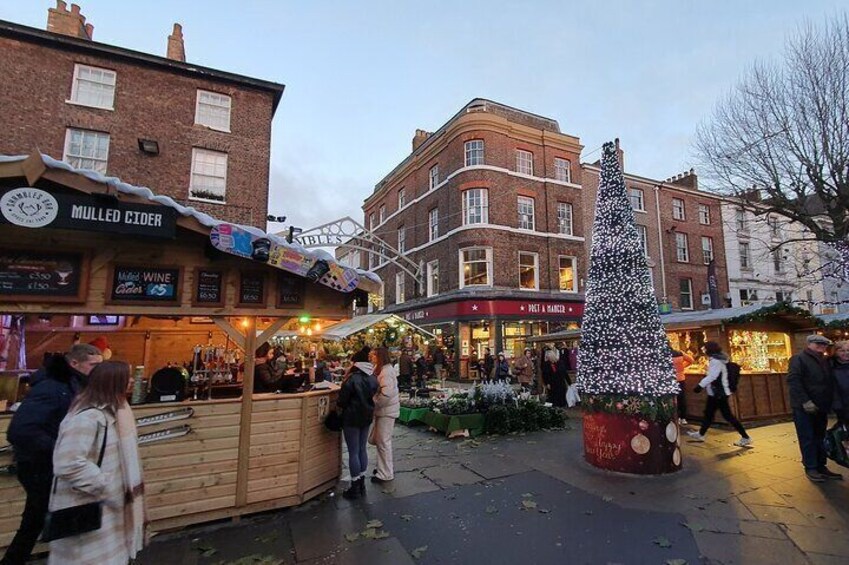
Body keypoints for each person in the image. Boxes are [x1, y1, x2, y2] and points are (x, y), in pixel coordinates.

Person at [3, 344, 102, 565]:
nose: (97, 371)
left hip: (46, 463)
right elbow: (20, 430)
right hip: (40, 465)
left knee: (38, 520)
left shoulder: (70, 383)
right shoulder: (52, 387)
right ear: (74, 363)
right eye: (93, 365)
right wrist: (62, 447)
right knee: (45, 519)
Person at [48, 361, 145, 564]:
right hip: (89, 509)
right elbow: (68, 463)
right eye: (126, 377)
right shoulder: (88, 417)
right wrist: (108, 486)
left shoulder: (114, 413)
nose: (132, 381)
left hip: (106, 511)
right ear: (112, 382)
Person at [787, 334, 841, 482]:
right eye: (818, 344)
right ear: (809, 344)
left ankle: (821, 466)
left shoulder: (823, 360)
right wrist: (805, 401)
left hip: (821, 406)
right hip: (804, 407)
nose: (821, 347)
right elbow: (794, 381)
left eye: (824, 345)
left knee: (819, 437)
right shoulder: (799, 359)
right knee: (807, 437)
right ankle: (811, 467)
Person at [686, 341, 752, 447]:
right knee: (709, 413)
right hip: (717, 392)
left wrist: (700, 386)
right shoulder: (719, 359)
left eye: (705, 349)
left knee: (727, 416)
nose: (704, 351)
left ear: (709, 350)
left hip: (719, 393)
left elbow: (713, 376)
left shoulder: (716, 361)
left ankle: (746, 437)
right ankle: (701, 434)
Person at [337, 347, 377, 499]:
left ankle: (355, 485)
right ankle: (361, 482)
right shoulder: (372, 377)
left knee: (353, 451)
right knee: (362, 449)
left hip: (351, 417)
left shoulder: (352, 378)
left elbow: (342, 400)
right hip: (366, 416)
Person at [370, 347, 399, 484]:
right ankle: (382, 469)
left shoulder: (385, 371)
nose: (372, 357)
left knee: (383, 443)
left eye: (374, 355)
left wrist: (375, 403)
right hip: (385, 411)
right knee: (381, 441)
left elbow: (386, 394)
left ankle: (385, 473)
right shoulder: (384, 369)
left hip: (386, 411)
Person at [671, 347, 695, 425]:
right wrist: (682, 366)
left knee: (674, 399)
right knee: (682, 398)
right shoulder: (680, 353)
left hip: (671, 380)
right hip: (681, 379)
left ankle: (676, 417)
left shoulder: (666, 355)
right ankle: (683, 418)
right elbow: (691, 360)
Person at [832, 340, 849, 427]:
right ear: (836, 352)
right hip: (843, 407)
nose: (846, 353)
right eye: (842, 350)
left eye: (848, 350)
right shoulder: (830, 367)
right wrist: (837, 406)